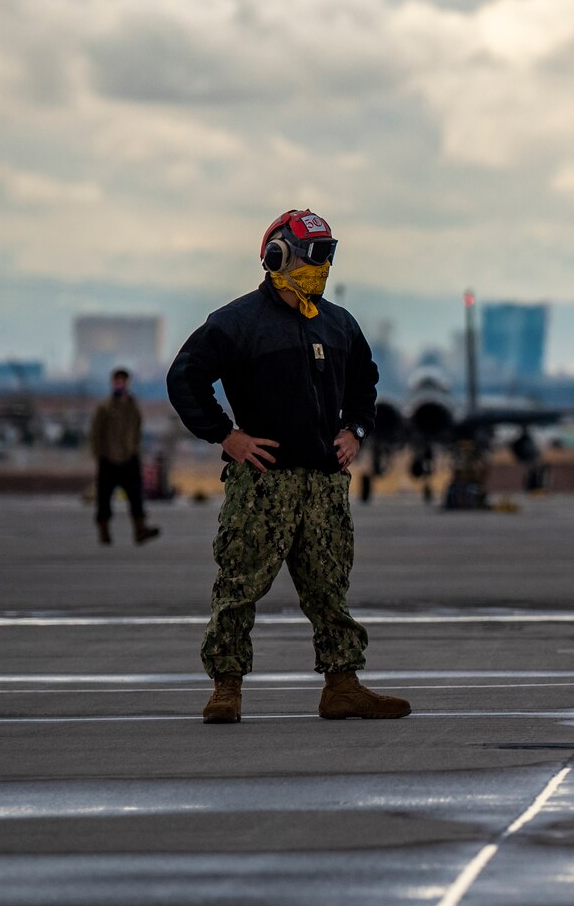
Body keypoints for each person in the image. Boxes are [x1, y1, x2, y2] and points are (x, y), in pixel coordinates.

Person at [167, 210, 411, 723]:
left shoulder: (338, 323)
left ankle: (342, 684)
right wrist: (227, 436)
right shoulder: (237, 324)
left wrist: (356, 430)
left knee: (330, 588)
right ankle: (226, 688)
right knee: (238, 586)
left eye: (328, 255)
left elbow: (365, 382)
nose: (321, 266)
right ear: (277, 256)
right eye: (313, 255)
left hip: (324, 483)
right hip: (263, 483)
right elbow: (185, 378)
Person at [90, 368, 159, 545]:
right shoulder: (104, 407)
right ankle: (104, 530)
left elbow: (136, 429)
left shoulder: (132, 405)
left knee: (136, 494)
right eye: (117, 381)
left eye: (123, 381)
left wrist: (134, 451)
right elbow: (96, 433)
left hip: (129, 457)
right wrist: (99, 454)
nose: (120, 384)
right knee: (104, 496)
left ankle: (140, 529)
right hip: (108, 458)